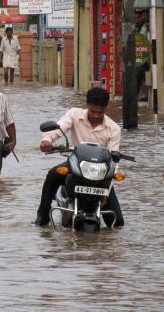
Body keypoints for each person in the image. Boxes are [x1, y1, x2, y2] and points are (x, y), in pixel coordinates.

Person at [35, 87, 124, 227]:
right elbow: (59, 128)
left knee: (118, 224)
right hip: (75, 165)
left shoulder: (114, 129)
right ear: (87, 105)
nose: (95, 115)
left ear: (105, 108)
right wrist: (47, 140)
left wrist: (107, 190)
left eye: (100, 112)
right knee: (52, 175)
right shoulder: (74, 115)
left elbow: (114, 161)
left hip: (100, 174)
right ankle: (42, 217)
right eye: (93, 111)